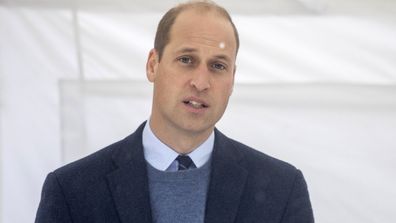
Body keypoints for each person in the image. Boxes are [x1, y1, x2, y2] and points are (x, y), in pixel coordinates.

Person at [35, 1, 314, 222]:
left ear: (232, 79)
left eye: (218, 66)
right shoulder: (72, 191)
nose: (201, 82)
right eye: (186, 60)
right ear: (152, 65)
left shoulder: (283, 189)